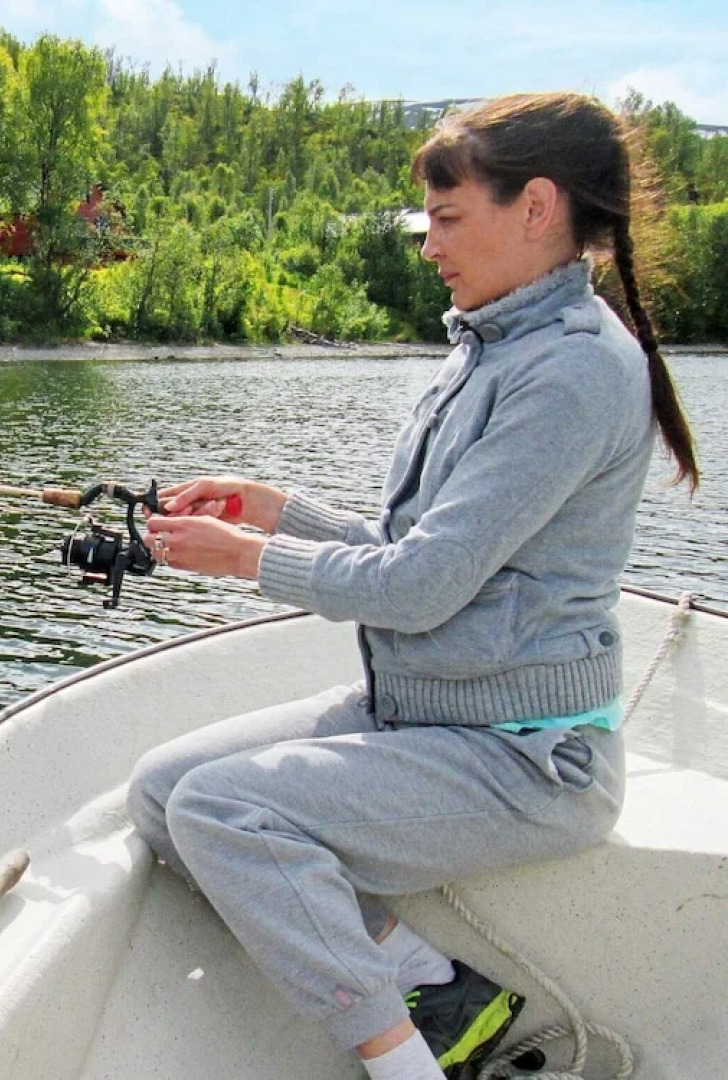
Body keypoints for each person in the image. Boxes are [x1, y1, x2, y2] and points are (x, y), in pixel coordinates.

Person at [130, 92, 699, 1080]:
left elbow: (422, 587)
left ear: (536, 207)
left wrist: (249, 561)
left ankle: (402, 1066)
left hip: (527, 761)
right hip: (428, 716)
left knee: (224, 811)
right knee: (163, 794)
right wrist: (274, 511)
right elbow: (415, 551)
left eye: (447, 219)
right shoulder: (490, 350)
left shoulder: (571, 373)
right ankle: (440, 992)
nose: (428, 245)